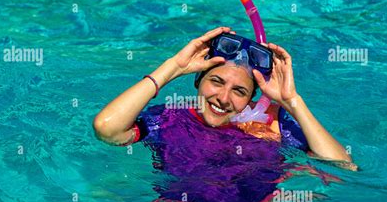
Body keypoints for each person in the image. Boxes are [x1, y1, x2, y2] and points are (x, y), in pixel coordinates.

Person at [93, 26, 353, 165]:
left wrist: (293, 103)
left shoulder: (272, 126)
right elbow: (107, 129)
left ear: (253, 99)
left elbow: (342, 166)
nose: (223, 98)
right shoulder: (167, 119)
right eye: (216, 81)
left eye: (239, 91)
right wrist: (172, 68)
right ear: (198, 80)